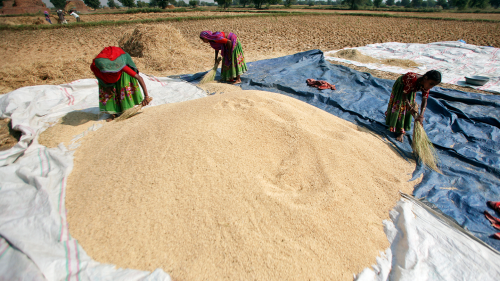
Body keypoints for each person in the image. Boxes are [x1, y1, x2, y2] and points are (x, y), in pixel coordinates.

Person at [90, 46, 151, 121]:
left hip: (120, 60)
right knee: (107, 90)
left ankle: (124, 107)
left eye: (113, 72)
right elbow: (99, 77)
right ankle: (113, 112)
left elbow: (139, 78)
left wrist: (146, 96)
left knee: (123, 84)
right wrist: (107, 85)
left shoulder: (121, 66)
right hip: (107, 66)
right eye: (109, 72)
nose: (111, 73)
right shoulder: (99, 67)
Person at [385, 70, 441, 142]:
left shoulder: (426, 85)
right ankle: (400, 130)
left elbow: (424, 100)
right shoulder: (412, 79)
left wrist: (421, 115)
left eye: (433, 85)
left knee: (408, 110)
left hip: (411, 90)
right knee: (400, 107)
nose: (431, 87)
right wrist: (410, 107)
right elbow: (404, 94)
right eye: (431, 84)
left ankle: (402, 127)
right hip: (402, 87)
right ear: (425, 78)